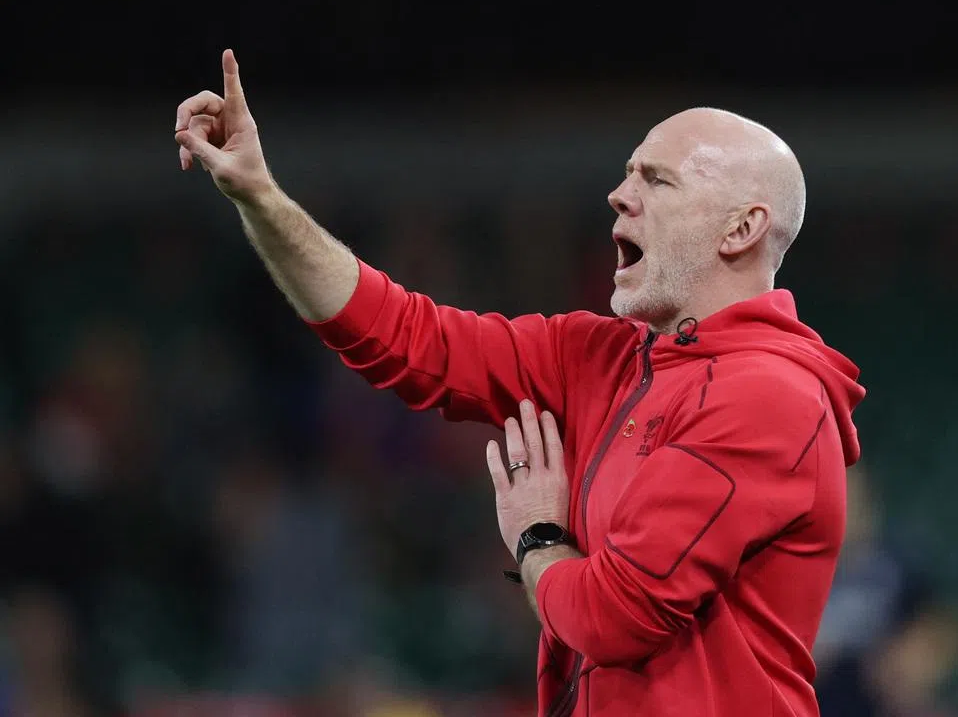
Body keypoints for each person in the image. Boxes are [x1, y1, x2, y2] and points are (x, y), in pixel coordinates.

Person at [174, 49, 867, 717]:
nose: (619, 195)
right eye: (628, 174)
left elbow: (615, 618)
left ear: (742, 228)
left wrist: (537, 535)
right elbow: (401, 337)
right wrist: (261, 199)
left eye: (657, 181)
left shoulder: (769, 395)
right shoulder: (596, 356)